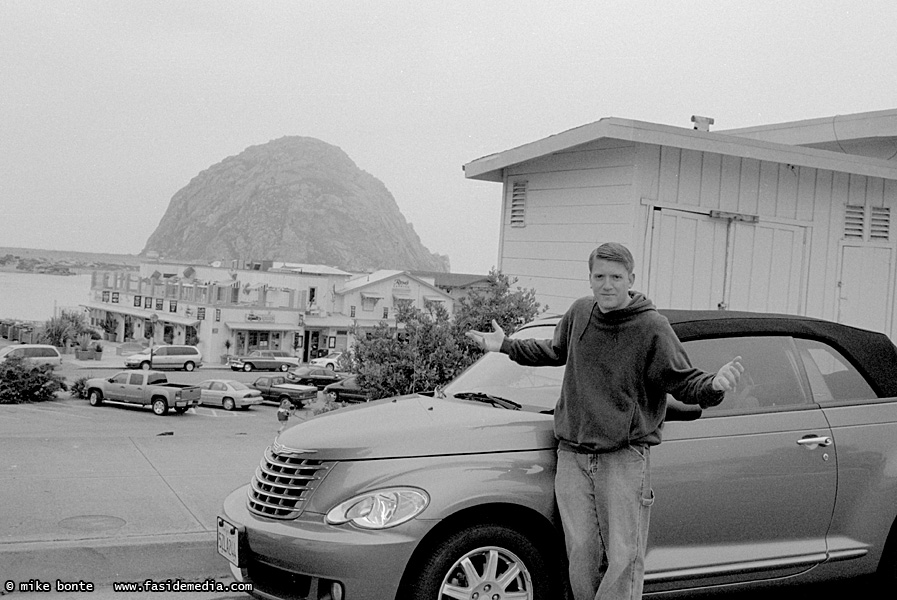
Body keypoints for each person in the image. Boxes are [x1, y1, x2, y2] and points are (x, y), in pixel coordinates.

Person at [466, 242, 742, 600]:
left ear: (631, 279)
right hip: (573, 457)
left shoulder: (651, 327)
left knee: (624, 557)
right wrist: (505, 346)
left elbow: (683, 380)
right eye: (599, 276)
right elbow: (555, 351)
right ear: (590, 278)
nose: (607, 284)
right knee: (581, 556)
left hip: (623, 459)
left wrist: (714, 386)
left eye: (616, 277)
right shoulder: (580, 312)